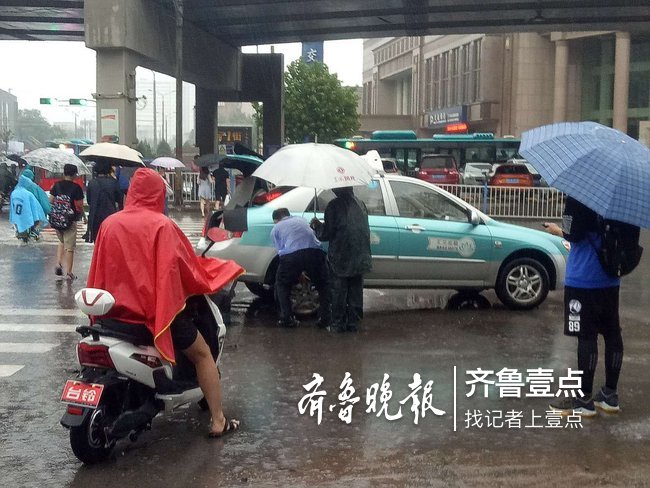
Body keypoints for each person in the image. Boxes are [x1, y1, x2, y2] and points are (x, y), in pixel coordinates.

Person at [86, 168, 243, 437]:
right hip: (154, 316)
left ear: (132, 191)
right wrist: (213, 272)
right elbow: (185, 269)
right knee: (203, 354)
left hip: (113, 315)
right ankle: (218, 420)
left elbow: (99, 269)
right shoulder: (162, 226)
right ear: (158, 194)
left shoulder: (109, 224)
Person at [545, 196, 623, 417]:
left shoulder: (579, 197)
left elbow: (573, 235)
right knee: (612, 333)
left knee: (586, 337)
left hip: (582, 279)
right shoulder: (621, 199)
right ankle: (610, 395)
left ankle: (583, 399)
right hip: (610, 279)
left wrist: (558, 229)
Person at [311, 187, 372, 333]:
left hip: (341, 256)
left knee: (339, 292)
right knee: (356, 291)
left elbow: (327, 233)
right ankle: (354, 324)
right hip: (361, 255)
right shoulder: (361, 204)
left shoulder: (334, 206)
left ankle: (338, 324)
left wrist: (316, 226)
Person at [271, 208, 330, 328]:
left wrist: (295, 271)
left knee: (281, 285)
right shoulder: (301, 220)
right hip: (315, 252)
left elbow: (281, 252)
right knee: (323, 285)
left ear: (276, 220)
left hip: (291, 256)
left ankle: (287, 319)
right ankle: (325, 318)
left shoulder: (276, 228)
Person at [49, 164, 86, 281]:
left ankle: (59, 263)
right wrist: (84, 216)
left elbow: (50, 200)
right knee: (70, 247)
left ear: (64, 173)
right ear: (74, 174)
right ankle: (69, 272)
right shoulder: (76, 187)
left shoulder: (57, 185)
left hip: (57, 219)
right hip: (70, 220)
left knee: (61, 241)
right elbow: (80, 205)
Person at [85, 160, 123, 243]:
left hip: (95, 217)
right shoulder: (114, 182)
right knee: (109, 242)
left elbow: (89, 201)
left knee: (97, 241)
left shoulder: (92, 183)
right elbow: (119, 199)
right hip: (110, 216)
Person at [9, 173, 46, 242]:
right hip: (28, 220)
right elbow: (35, 209)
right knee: (32, 236)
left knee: (22, 235)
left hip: (17, 219)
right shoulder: (28, 194)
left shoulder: (14, 193)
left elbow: (12, 208)